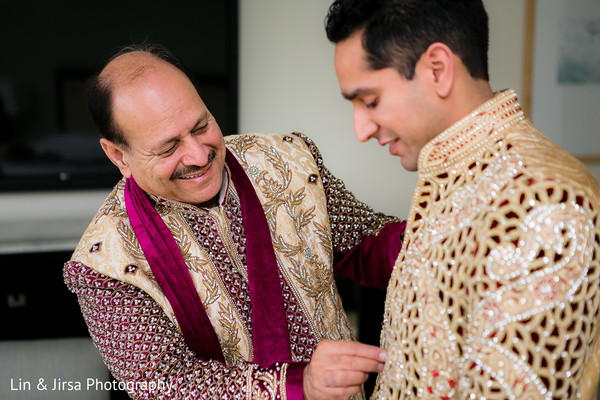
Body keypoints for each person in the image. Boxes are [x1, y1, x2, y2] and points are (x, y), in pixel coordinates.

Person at [63, 43, 406, 400]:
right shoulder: (103, 264)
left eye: (201, 126)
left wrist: (443, 231)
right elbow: (163, 385)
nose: (198, 154)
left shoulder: (287, 160)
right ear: (118, 154)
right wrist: (297, 385)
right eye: (168, 148)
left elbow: (365, 244)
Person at [325, 0, 600, 398]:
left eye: (369, 101)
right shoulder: (453, 178)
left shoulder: (545, 201)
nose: (361, 129)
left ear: (438, 69)